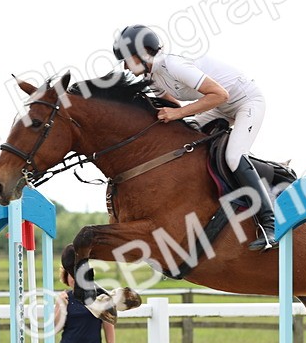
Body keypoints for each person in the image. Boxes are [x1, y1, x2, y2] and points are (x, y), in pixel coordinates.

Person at [112, 24, 277, 251]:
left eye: (126, 60)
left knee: (233, 157)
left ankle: (269, 225)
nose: (125, 67)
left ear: (141, 54)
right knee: (184, 136)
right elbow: (174, 107)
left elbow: (220, 94)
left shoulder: (173, 64)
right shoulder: (154, 76)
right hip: (219, 107)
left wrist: (177, 113)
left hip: (245, 102)